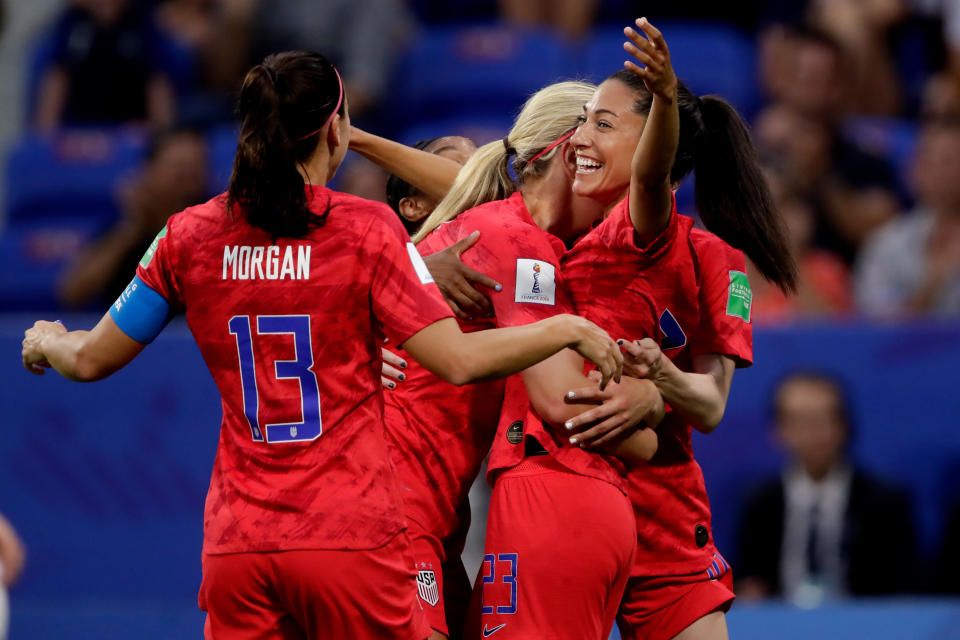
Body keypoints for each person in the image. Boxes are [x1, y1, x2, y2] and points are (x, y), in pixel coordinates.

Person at [20, 51, 626, 640]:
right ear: (334, 130)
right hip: (350, 533)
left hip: (238, 546)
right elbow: (460, 360)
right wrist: (564, 329)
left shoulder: (186, 235)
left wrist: (49, 341)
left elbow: (91, 358)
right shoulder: (366, 229)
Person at [350, 81, 663, 640]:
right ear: (575, 152)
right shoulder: (515, 241)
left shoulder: (506, 229)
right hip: (392, 509)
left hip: (427, 513)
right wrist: (649, 417)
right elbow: (562, 402)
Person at [560, 18, 796, 640]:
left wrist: (660, 380)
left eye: (602, 125)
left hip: (660, 516)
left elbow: (711, 404)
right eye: (583, 118)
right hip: (560, 502)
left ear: (656, 149)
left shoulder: (685, 245)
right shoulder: (548, 228)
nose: (579, 137)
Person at [735, 372, 917, 603]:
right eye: (800, 421)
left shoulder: (885, 503)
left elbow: (904, 591)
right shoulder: (760, 504)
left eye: (823, 419)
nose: (813, 433)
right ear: (778, 430)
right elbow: (748, 579)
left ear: (844, 425)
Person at [855, 117, 960, 317]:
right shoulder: (887, 245)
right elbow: (878, 328)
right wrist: (935, 283)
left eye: (953, 161)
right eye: (934, 161)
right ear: (915, 170)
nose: (945, 172)